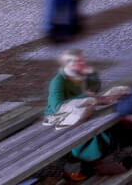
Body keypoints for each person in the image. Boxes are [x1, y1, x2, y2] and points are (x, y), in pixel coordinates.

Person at [45, 48, 119, 180]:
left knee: (103, 128)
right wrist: (84, 96)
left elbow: (96, 87)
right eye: (79, 61)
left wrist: (92, 75)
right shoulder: (58, 81)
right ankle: (74, 169)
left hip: (84, 111)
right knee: (83, 135)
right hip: (63, 117)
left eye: (82, 60)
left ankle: (93, 162)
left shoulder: (81, 75)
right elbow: (58, 106)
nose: (83, 63)